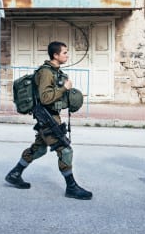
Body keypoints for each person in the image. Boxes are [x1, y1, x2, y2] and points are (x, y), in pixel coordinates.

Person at [5, 41, 92, 200]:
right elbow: (45, 98)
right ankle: (71, 187)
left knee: (39, 149)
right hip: (47, 117)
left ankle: (15, 173)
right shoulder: (46, 73)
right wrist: (64, 88)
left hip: (51, 116)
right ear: (55, 55)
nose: (67, 55)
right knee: (65, 150)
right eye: (64, 52)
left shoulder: (55, 71)